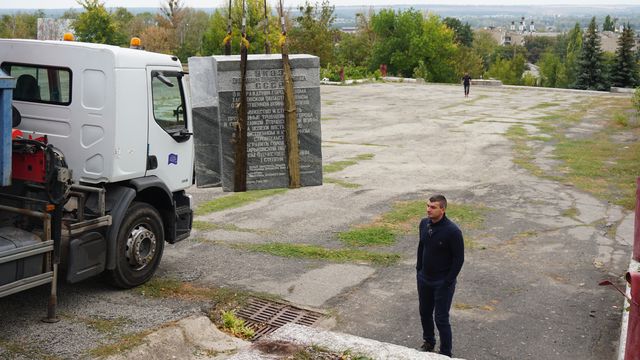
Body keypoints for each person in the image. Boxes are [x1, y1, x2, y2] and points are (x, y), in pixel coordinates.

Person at [416, 194, 464, 357]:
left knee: (441, 319)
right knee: (424, 312)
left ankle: (445, 353)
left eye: (433, 207)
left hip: (442, 282)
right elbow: (422, 245)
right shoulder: (424, 224)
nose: (428, 209)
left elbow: (459, 259)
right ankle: (429, 342)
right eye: (427, 206)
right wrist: (419, 269)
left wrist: (448, 281)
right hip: (424, 278)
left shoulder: (453, 231)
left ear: (442, 210)